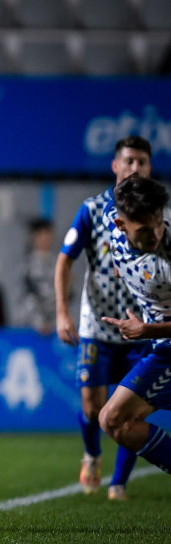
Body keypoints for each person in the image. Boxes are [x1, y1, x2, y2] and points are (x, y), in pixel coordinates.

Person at [54, 135, 153, 500]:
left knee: (131, 411)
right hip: (96, 325)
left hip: (140, 328)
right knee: (92, 408)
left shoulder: (158, 216)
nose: (134, 168)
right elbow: (65, 259)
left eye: (141, 162)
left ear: (150, 167)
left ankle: (119, 482)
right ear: (115, 165)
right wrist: (63, 311)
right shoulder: (93, 209)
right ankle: (93, 454)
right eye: (128, 161)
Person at [99, 175, 171, 482]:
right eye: (144, 229)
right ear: (120, 225)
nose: (155, 233)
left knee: (115, 419)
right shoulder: (109, 222)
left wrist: (147, 330)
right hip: (161, 346)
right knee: (115, 421)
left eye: (158, 222)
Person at [20, 218, 56, 336]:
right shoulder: (27, 264)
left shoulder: (59, 262)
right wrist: (39, 322)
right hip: (32, 327)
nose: (45, 239)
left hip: (56, 325)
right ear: (34, 237)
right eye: (41, 235)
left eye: (48, 234)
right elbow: (27, 296)